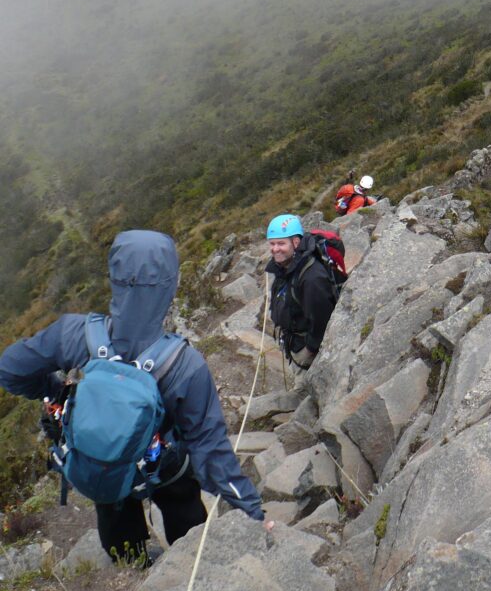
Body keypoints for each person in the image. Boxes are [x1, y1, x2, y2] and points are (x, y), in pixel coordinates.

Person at [0, 229, 265, 564]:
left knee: (113, 507)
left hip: (103, 462)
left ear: (114, 277)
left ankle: (133, 569)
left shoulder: (74, 333)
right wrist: (253, 511)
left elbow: (11, 370)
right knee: (182, 502)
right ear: (170, 284)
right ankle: (188, 564)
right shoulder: (185, 364)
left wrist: (55, 391)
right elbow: (211, 453)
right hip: (165, 466)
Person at [266, 214, 338, 371]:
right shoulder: (286, 265)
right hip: (294, 341)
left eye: (280, 243)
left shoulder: (311, 277)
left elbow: (321, 318)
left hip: (306, 348)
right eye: (272, 243)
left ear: (296, 242)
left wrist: (310, 349)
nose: (275, 249)